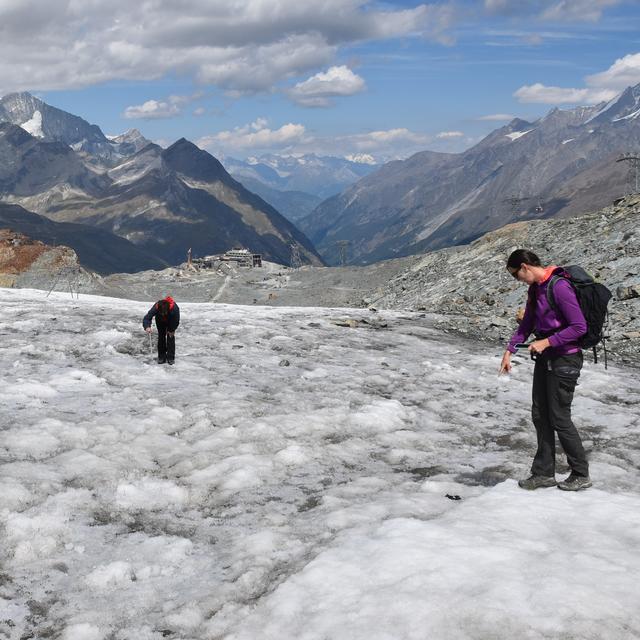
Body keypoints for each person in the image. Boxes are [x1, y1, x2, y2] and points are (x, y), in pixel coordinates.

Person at [499, 250, 592, 491]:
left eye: (516, 275)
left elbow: (579, 326)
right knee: (540, 415)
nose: (517, 280)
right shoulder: (535, 289)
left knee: (559, 417)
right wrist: (510, 350)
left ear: (525, 267)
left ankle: (581, 473)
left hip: (565, 360)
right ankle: (543, 473)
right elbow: (528, 322)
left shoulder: (559, 287)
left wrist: (547, 342)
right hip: (545, 358)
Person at [143, 295, 180, 365]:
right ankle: (161, 356)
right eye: (161, 313)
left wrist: (171, 329)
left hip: (171, 320)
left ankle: (170, 357)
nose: (163, 314)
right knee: (161, 336)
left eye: (164, 313)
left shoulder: (174, 309)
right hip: (160, 321)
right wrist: (147, 326)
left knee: (170, 336)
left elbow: (176, 321)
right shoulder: (156, 308)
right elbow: (147, 318)